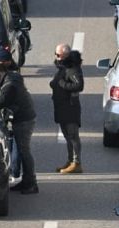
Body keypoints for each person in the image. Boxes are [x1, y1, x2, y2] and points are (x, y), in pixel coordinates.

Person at [0, 62, 38, 194]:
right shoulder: (10, 79)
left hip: (23, 120)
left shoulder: (9, 86)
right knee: (22, 150)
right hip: (23, 118)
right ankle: (26, 181)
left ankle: (31, 182)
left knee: (24, 151)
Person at [49, 43, 84, 174]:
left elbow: (79, 85)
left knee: (73, 136)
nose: (56, 57)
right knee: (67, 137)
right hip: (62, 107)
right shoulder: (63, 67)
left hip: (70, 108)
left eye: (58, 55)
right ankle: (70, 161)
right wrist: (54, 84)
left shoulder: (72, 68)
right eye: (56, 54)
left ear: (65, 56)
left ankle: (76, 162)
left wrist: (61, 84)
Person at [0, 46, 22, 183]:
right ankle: (13, 172)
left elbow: (1, 101)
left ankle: (14, 173)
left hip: (13, 115)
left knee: (14, 144)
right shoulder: (10, 73)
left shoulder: (10, 78)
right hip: (12, 114)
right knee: (11, 143)